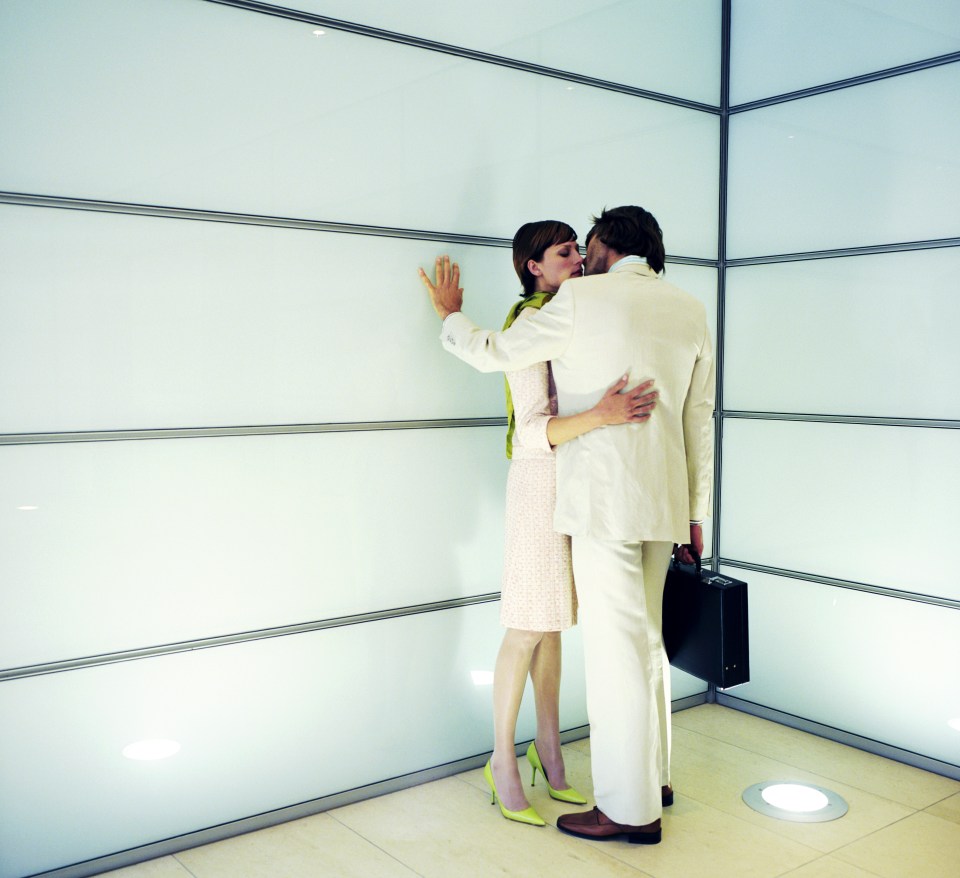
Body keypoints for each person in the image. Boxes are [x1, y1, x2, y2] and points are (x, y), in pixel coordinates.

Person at [421, 206, 715, 844]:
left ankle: (629, 809)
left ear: (606, 244)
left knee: (616, 655)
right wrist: (698, 513)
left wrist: (449, 316)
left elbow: (493, 351)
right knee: (650, 647)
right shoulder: (690, 308)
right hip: (664, 507)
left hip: (603, 504)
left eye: (587, 247)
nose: (583, 258)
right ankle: (655, 777)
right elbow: (700, 420)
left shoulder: (582, 298)